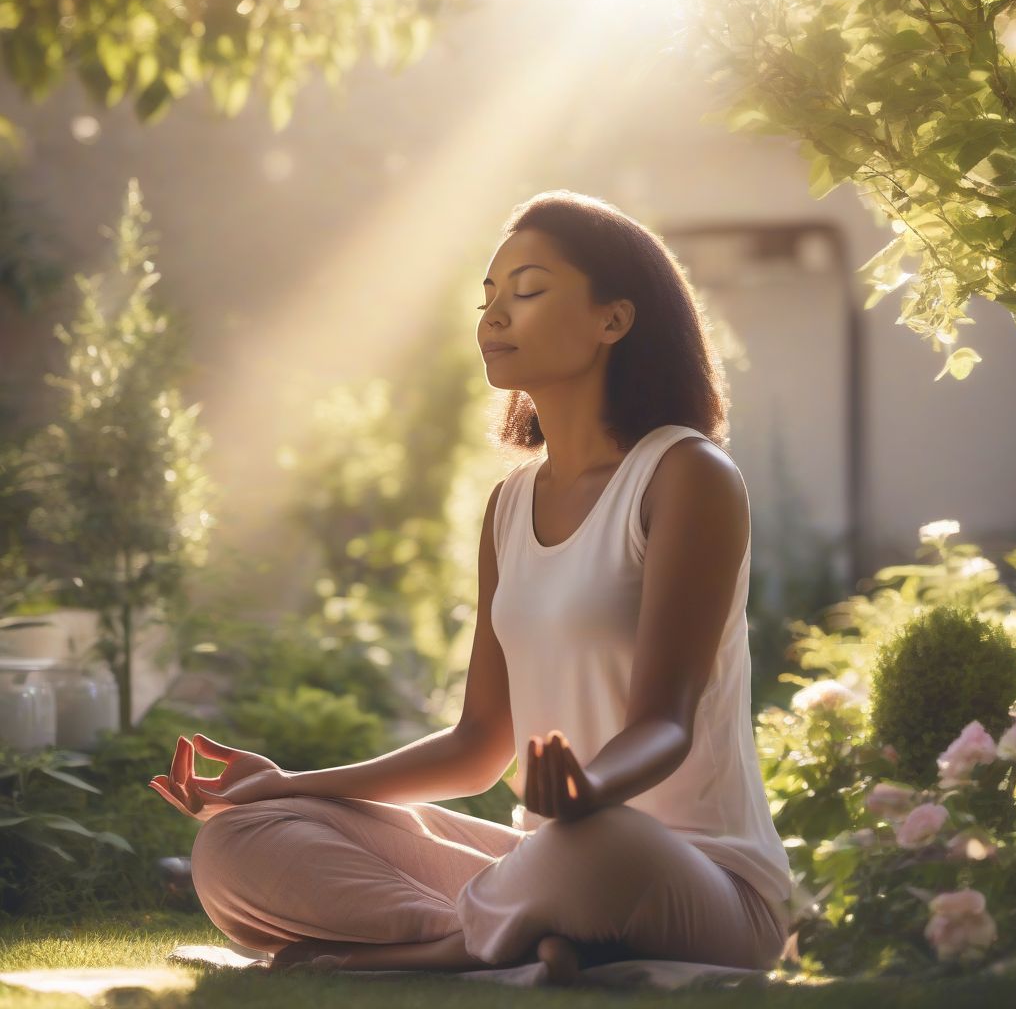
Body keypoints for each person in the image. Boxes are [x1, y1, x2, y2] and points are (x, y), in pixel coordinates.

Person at [149, 189, 793, 986]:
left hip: (688, 878)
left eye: (526, 291)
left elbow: (667, 724)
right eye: (488, 298)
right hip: (542, 866)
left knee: (594, 846)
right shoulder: (511, 503)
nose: (494, 317)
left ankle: (417, 955)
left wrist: (587, 790)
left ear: (613, 320)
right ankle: (497, 940)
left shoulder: (686, 474)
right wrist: (287, 784)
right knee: (239, 837)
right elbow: (477, 746)